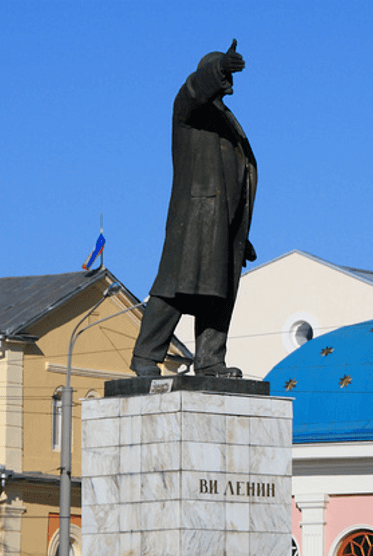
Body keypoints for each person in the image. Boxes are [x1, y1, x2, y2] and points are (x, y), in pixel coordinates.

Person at [131, 39, 257, 378]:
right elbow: (192, 91)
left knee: (220, 294)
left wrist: (239, 233)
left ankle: (211, 361)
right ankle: (145, 356)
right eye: (223, 74)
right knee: (175, 288)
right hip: (195, 218)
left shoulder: (226, 121)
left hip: (225, 224)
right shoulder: (188, 113)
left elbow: (236, 181)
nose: (230, 82)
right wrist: (217, 69)